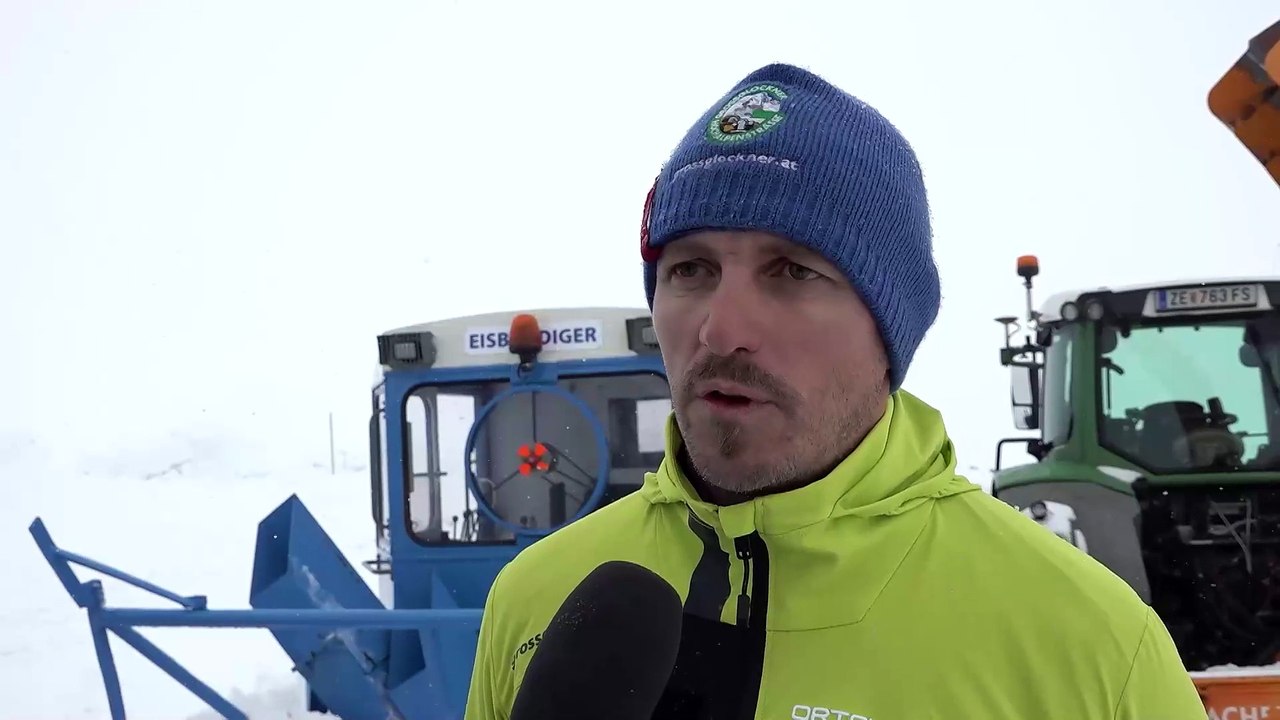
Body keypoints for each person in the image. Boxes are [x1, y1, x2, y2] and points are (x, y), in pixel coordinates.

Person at [462, 63, 1206, 719]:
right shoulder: (537, 596)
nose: (721, 331)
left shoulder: (1094, 648)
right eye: (690, 269)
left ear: (890, 330)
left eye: (791, 271)